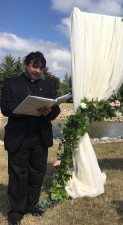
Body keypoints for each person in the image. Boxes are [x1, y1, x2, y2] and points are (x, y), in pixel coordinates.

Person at [0, 51, 61, 225]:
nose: (37, 71)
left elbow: (56, 109)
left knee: (37, 173)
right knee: (18, 174)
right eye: (34, 66)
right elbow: (5, 107)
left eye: (41, 68)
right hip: (19, 136)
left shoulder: (47, 86)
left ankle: (31, 205)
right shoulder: (11, 83)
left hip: (40, 137)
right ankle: (17, 211)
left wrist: (50, 111)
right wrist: (23, 108)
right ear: (26, 64)